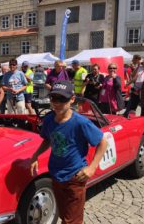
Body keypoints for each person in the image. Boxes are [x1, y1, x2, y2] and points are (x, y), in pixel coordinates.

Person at [30, 80, 107, 224]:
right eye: (53, 98)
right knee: (64, 214)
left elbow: (103, 141)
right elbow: (47, 139)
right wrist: (35, 155)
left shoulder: (80, 122)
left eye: (62, 99)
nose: (57, 103)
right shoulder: (49, 120)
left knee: (72, 221)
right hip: (55, 174)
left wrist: (92, 167)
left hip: (75, 177)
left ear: (72, 99)